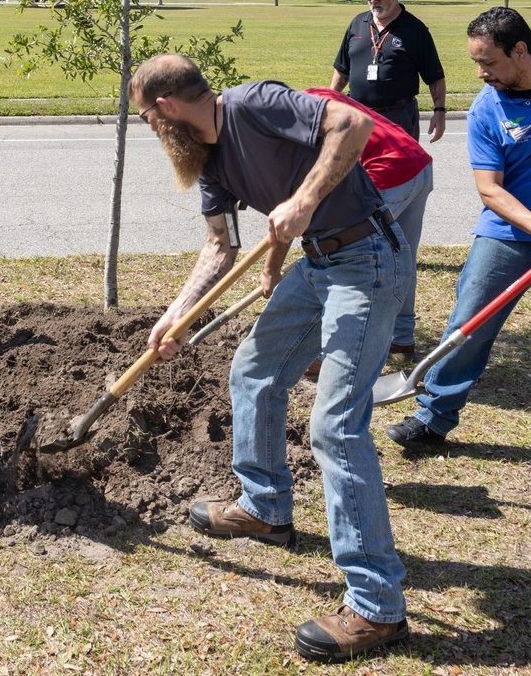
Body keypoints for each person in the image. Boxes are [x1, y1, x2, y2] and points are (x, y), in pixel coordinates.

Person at [131, 54, 411, 663]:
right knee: (253, 371)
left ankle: (377, 606)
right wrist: (177, 316)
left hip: (366, 261)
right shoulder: (210, 161)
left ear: (166, 108)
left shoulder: (255, 104)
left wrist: (305, 199)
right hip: (318, 265)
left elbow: (352, 126)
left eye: (148, 121)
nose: (153, 133)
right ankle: (264, 508)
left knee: (335, 426)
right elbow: (218, 246)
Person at [386, 7, 531, 450]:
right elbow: (490, 190)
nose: (481, 72)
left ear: (521, 51)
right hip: (508, 231)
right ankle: (433, 417)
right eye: (476, 63)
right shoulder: (488, 107)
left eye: (489, 62)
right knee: (469, 320)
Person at [303, 87, 433, 370]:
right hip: (416, 162)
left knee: (347, 259)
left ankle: (328, 352)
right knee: (403, 253)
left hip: (387, 174)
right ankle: (401, 339)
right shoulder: (316, 93)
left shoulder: (291, 121)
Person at [331, 0, 446, 144]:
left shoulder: (415, 30)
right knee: (357, 171)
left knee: (399, 171)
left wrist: (439, 112)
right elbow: (342, 70)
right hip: (357, 115)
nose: (373, 1)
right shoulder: (357, 23)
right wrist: (330, 102)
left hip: (398, 117)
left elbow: (435, 77)